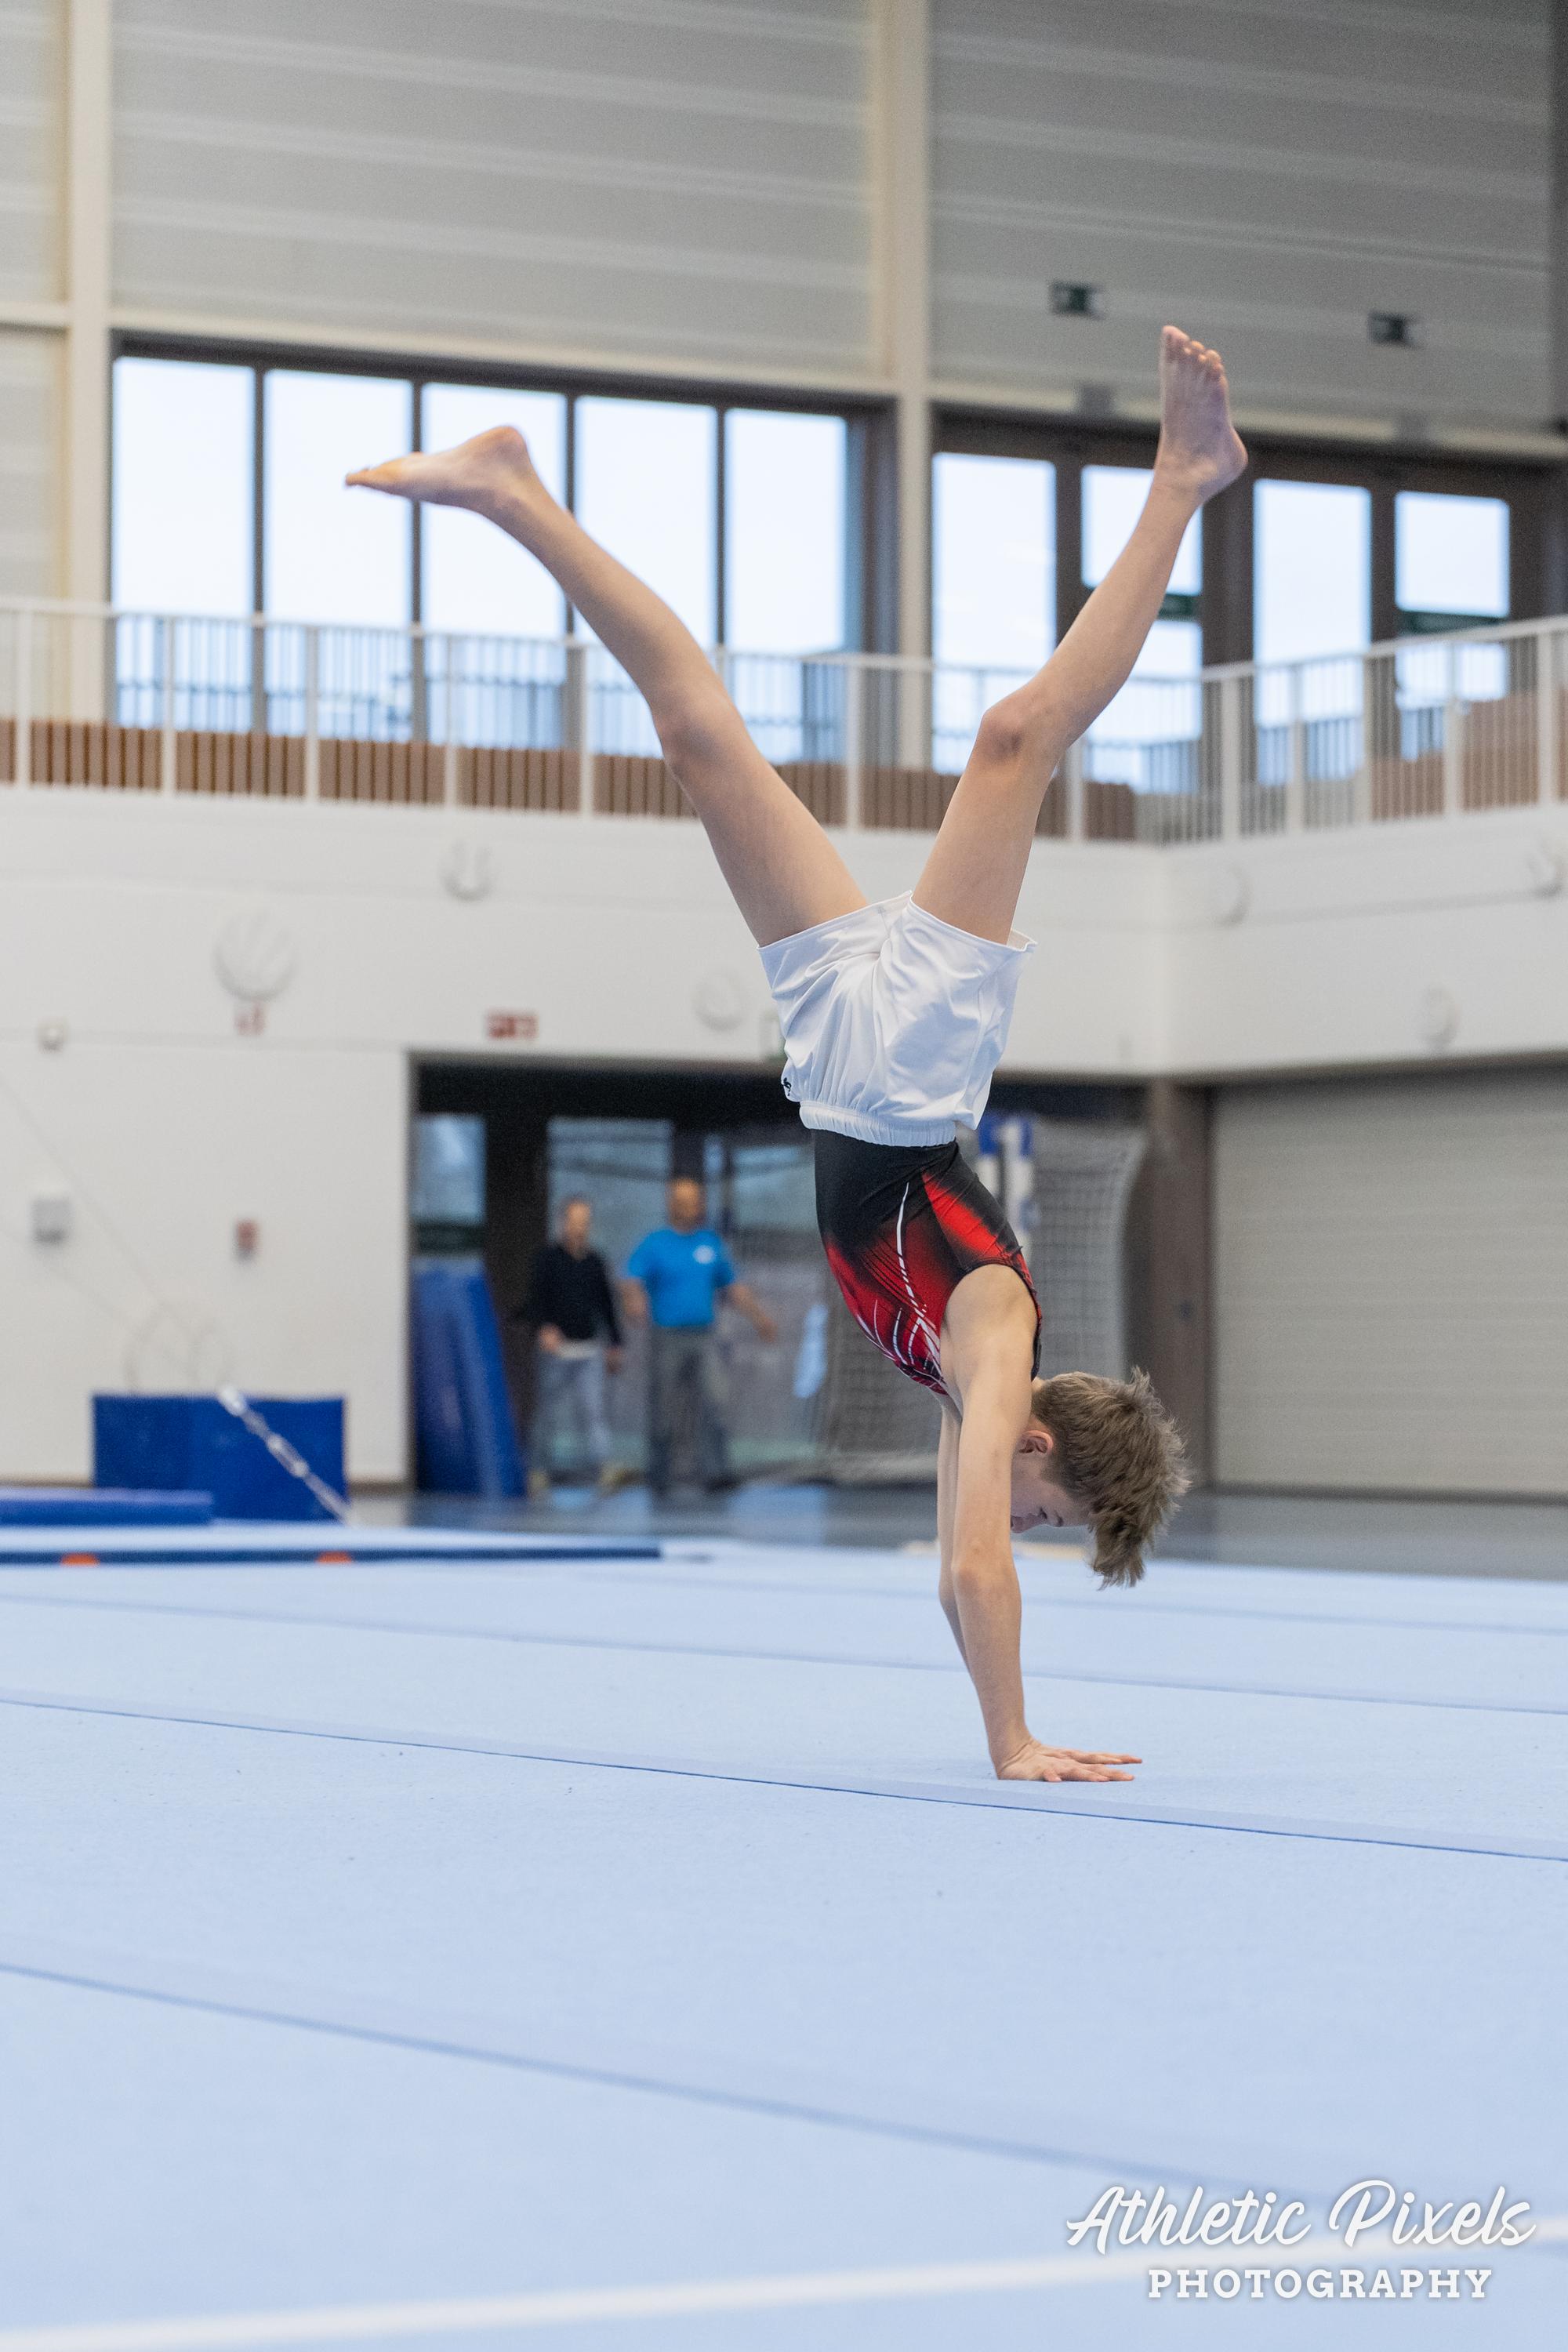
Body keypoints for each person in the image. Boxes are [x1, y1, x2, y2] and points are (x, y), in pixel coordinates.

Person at [348, 325, 1240, 1781]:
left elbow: (953, 1570)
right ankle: (1185, 479)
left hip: (841, 1070)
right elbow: (973, 1568)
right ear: (1044, 1453)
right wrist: (1012, 1739)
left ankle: (516, 494)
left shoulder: (971, 1394)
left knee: (699, 741)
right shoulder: (997, 1341)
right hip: (909, 1073)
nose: (1022, 1529)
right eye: (1053, 1518)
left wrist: (1000, 1711)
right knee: (1015, 739)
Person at [622, 1176, 778, 1495]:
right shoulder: (656, 1243)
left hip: (704, 1337)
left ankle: (717, 1472)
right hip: (667, 1337)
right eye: (682, 1201)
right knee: (664, 1408)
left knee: (716, 1401)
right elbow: (631, 1278)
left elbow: (733, 1287)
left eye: (694, 1201)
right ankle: (660, 1476)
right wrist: (634, 1300)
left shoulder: (710, 1243)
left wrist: (760, 1318)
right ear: (671, 1204)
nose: (689, 1207)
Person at [521, 1193, 623, 1497]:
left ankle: (602, 1467)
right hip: (556, 1352)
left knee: (593, 1412)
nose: (579, 1228)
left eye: (584, 1223)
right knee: (548, 1415)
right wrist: (544, 1328)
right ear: (563, 1223)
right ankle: (539, 1470)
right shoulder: (547, 1260)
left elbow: (606, 1305)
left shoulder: (594, 1262)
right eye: (574, 1222)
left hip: (588, 1351)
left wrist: (615, 1343)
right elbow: (535, 1302)